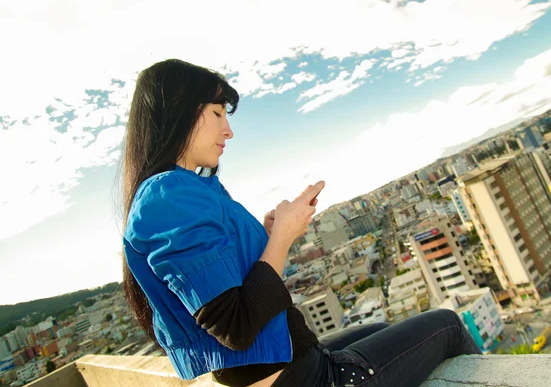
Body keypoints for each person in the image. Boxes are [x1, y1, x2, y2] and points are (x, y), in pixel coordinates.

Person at [121, 59, 481, 387]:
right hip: (304, 379)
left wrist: (265, 236)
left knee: (380, 328)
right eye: (217, 112)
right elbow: (236, 326)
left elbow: (224, 286)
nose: (228, 130)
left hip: (287, 362)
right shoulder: (168, 197)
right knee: (447, 325)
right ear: (179, 111)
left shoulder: (184, 191)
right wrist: (281, 238)